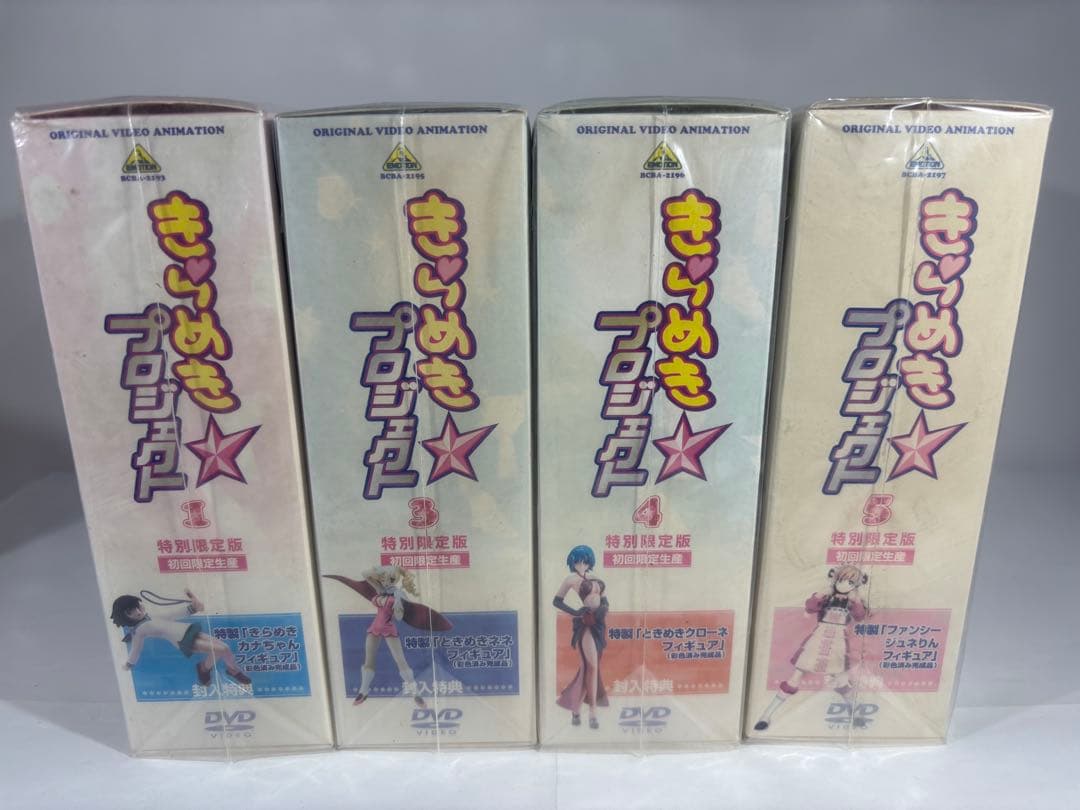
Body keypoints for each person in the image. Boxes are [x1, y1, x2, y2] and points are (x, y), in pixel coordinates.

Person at [753, 566, 868, 731]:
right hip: (818, 638)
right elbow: (810, 608)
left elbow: (860, 617)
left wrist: (856, 600)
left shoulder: (853, 601)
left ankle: (855, 716)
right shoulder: (826, 597)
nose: (844, 585)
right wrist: (821, 594)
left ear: (856, 585)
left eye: (850, 582)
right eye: (841, 580)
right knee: (795, 677)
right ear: (835, 579)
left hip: (838, 641)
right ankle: (765, 716)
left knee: (841, 680)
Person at [110, 589, 251, 686]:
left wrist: (193, 608)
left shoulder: (150, 617)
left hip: (188, 630)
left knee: (225, 647)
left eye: (138, 607)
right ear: (125, 616)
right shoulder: (138, 631)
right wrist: (129, 664)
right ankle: (203, 669)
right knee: (219, 650)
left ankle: (232, 670)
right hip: (182, 640)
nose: (138, 611)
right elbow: (136, 649)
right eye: (131, 612)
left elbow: (171, 614)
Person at [553, 544, 608, 729]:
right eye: (577, 562)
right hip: (585, 623)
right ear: (572, 563)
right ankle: (592, 712)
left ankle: (576, 709)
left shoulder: (595, 577)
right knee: (591, 666)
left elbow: (605, 600)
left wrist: (603, 609)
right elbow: (557, 600)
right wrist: (576, 612)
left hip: (599, 623)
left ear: (589, 562)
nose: (581, 565)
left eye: (584, 561)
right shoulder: (571, 579)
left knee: (588, 667)